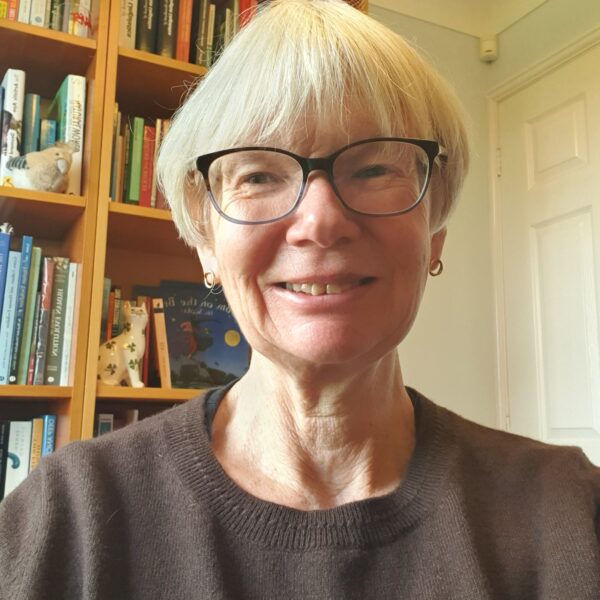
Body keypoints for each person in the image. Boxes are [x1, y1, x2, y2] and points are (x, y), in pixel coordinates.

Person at [1, 1, 599, 598]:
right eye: (258, 176)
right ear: (205, 241)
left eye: (374, 169)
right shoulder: (67, 518)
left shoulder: (571, 513)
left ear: (434, 234)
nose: (321, 222)